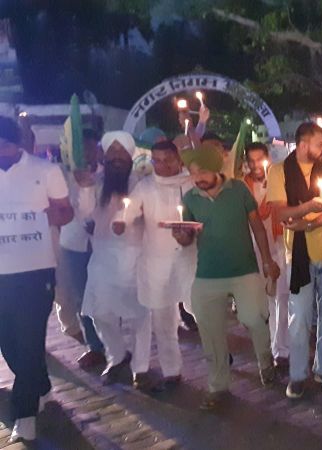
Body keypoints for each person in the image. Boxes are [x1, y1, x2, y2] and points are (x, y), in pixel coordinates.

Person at [172, 143, 280, 409]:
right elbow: (187, 238)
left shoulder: (238, 189)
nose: (198, 179)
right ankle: (217, 385)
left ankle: (265, 362)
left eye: (203, 172)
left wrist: (267, 261)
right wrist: (181, 236)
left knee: (255, 319)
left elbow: (256, 224)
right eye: (193, 173)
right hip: (208, 274)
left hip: (244, 270)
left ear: (216, 168)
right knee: (209, 332)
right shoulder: (189, 199)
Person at [266, 122, 322, 399]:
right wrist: (310, 207)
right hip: (300, 256)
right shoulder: (279, 171)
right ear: (303, 144)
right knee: (299, 317)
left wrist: (311, 224)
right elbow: (280, 214)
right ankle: (298, 374)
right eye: (318, 144)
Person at [0, 117, 73, 442]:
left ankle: (24, 414)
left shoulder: (46, 171)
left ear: (16, 143)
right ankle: (41, 386)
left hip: (35, 270)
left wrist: (50, 216)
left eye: (4, 144)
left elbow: (66, 211)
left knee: (29, 341)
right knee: (10, 344)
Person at [111, 140, 196, 391]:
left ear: (178, 159)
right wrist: (120, 222)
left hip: (189, 258)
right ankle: (172, 371)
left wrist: (191, 234)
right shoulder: (145, 186)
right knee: (163, 320)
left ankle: (219, 363)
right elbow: (129, 211)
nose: (161, 165)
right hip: (157, 262)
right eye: (156, 160)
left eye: (167, 159)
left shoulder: (190, 182)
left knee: (202, 312)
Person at [81, 132, 151, 388]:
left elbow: (149, 213)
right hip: (102, 257)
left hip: (136, 255)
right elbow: (86, 213)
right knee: (100, 313)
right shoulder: (96, 181)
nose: (118, 157)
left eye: (123, 152)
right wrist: (85, 187)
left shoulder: (142, 182)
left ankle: (140, 368)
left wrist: (129, 219)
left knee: (139, 316)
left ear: (131, 155)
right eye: (113, 151)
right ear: (105, 155)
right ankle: (117, 355)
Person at [54, 129, 106, 370]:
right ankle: (95, 346)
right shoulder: (64, 176)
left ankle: (114, 345)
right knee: (81, 295)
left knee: (105, 295)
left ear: (99, 149)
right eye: (81, 148)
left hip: (104, 244)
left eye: (91, 147)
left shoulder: (109, 176)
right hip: (74, 243)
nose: (86, 153)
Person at [243, 142, 290, 369]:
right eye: (251, 161)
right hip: (253, 249)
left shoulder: (280, 181)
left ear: (268, 158)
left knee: (280, 298)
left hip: (280, 246)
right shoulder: (242, 186)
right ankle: (266, 345)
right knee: (260, 302)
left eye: (259, 159)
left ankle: (280, 348)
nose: (255, 165)